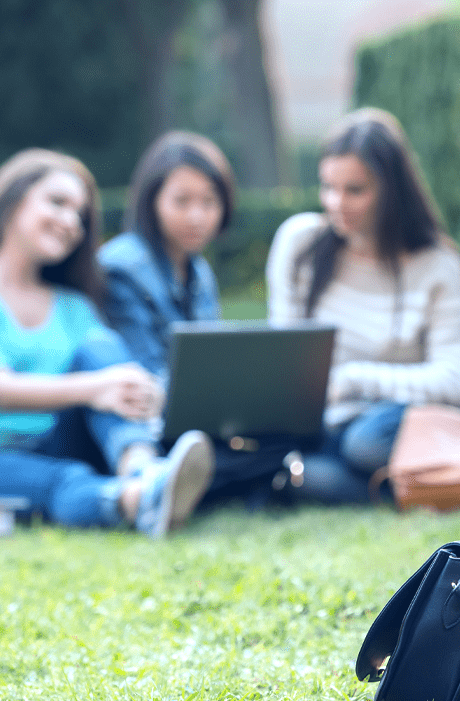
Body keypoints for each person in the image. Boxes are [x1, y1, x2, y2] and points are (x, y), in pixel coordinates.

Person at [266, 108, 460, 502]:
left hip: (392, 424)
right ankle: (402, 488)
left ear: (391, 190)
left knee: (363, 444)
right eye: (328, 187)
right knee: (298, 469)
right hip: (324, 426)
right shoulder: (300, 244)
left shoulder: (437, 265)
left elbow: (455, 382)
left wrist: (351, 380)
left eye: (355, 190)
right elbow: (284, 353)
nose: (336, 203)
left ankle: (405, 481)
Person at [0, 148, 213, 538]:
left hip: (63, 438)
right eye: (57, 203)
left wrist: (140, 390)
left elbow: (108, 374)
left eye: (79, 216)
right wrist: (92, 389)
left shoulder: (74, 305)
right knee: (65, 479)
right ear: (14, 197)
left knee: (102, 350)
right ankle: (135, 497)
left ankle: (142, 469)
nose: (70, 222)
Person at [98, 131, 293, 507]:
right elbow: (146, 373)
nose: (197, 216)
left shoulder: (198, 270)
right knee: (262, 459)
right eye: (181, 201)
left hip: (192, 420)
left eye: (209, 202)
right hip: (143, 422)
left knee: (281, 445)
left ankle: (209, 482)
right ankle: (171, 485)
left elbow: (211, 365)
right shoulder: (122, 267)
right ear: (151, 201)